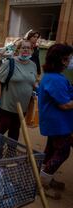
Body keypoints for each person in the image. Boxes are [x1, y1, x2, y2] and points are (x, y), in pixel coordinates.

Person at [38, 44, 73, 199]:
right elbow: (64, 104)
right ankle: (43, 183)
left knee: (51, 150)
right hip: (58, 123)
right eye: (69, 58)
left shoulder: (54, 76)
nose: (71, 61)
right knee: (62, 152)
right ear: (62, 60)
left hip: (55, 123)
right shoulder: (55, 79)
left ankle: (45, 177)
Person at [0, 40, 37, 141]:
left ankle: (10, 152)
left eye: (28, 48)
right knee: (3, 126)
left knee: (15, 129)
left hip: (23, 106)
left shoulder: (33, 65)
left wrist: (37, 88)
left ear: (32, 51)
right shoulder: (9, 63)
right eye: (23, 47)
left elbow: (32, 81)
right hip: (6, 105)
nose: (26, 50)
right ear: (18, 50)